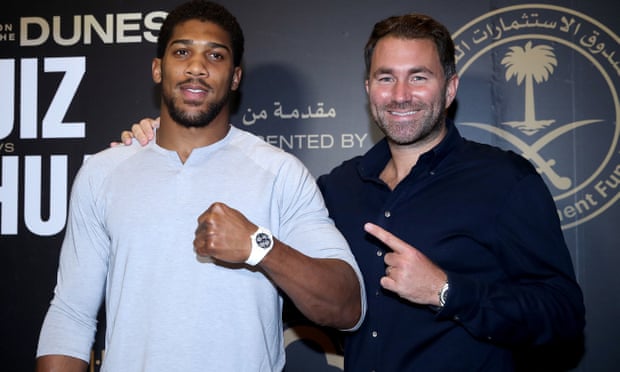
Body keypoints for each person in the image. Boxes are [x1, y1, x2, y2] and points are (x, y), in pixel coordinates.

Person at [121, 13, 585, 371]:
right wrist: (158, 144)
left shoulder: (504, 180)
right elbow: (278, 276)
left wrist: (447, 290)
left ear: (449, 89)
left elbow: (564, 318)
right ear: (368, 89)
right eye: (386, 78)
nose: (400, 94)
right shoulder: (336, 188)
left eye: (418, 77)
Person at [36, 1, 365, 371]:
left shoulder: (281, 173)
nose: (197, 67)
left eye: (215, 55)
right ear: (158, 69)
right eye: (182, 52)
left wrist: (260, 246)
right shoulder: (102, 172)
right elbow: (71, 315)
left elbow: (347, 308)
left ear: (236, 77)